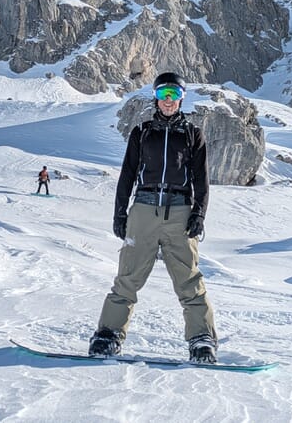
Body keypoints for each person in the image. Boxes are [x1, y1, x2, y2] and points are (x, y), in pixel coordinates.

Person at [89, 72, 218, 364]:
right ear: (156, 98)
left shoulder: (192, 134)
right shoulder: (143, 132)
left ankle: (202, 340)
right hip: (144, 209)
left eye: (173, 94)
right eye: (163, 94)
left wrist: (198, 214)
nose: (168, 101)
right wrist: (120, 212)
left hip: (180, 212)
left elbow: (201, 180)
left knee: (189, 280)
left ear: (182, 97)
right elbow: (127, 174)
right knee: (128, 277)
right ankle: (108, 336)